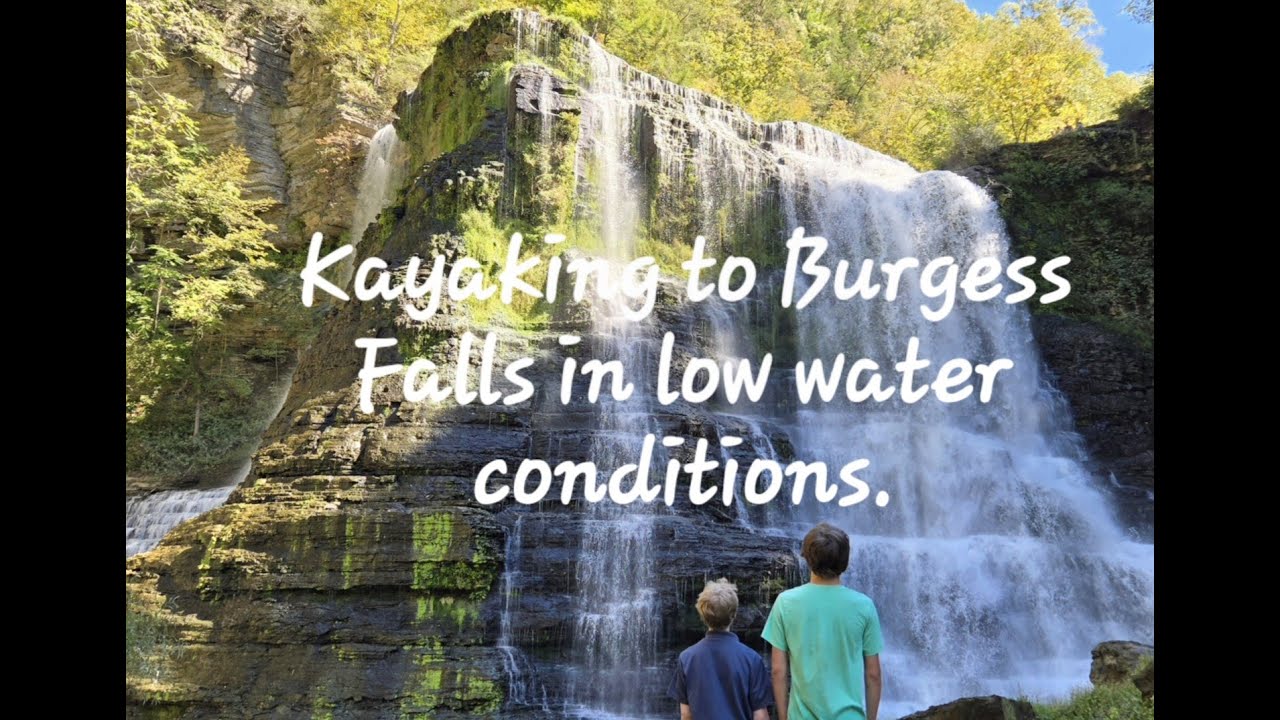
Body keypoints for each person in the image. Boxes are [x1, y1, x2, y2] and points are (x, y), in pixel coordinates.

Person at [762, 523, 884, 720]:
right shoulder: (864, 606)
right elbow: (873, 675)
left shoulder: (785, 603)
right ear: (845, 561)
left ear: (807, 559)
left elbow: (778, 671)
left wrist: (784, 717)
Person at [668, 578, 774, 720]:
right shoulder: (752, 659)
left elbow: (686, 714)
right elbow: (760, 716)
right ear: (734, 614)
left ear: (702, 615)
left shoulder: (687, 658)